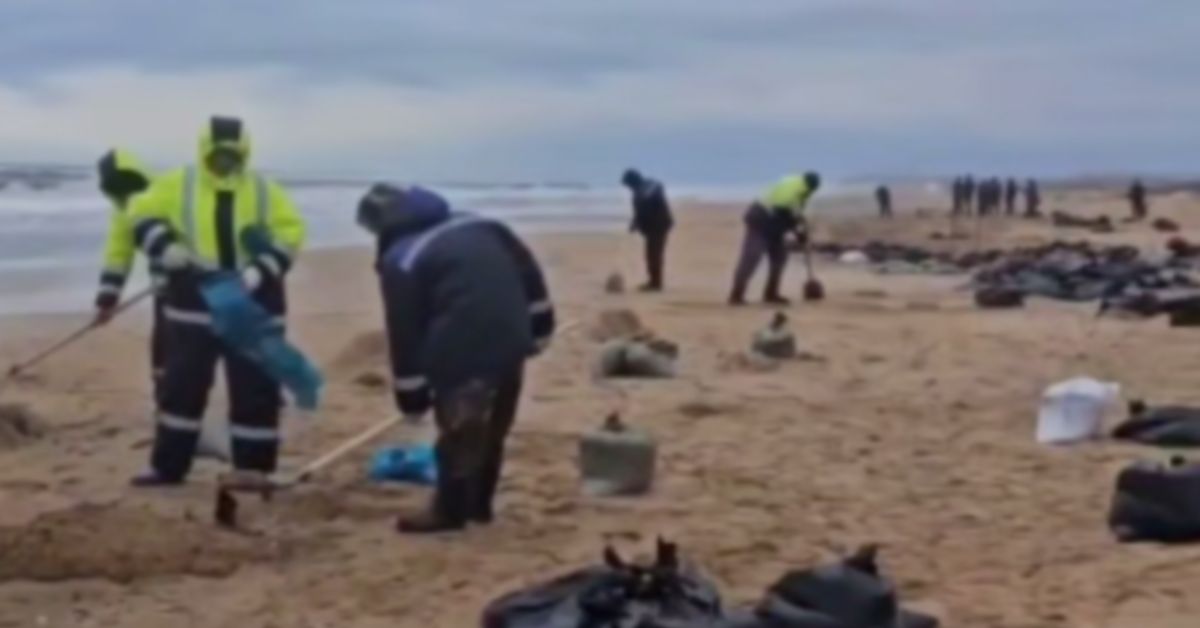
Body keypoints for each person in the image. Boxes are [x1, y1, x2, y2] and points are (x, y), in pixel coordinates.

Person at [356, 183, 555, 533]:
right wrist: (541, 325)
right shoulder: (483, 225)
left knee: (460, 431)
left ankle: (449, 511)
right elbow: (529, 273)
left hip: (460, 347)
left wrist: (411, 394)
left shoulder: (402, 259)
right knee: (495, 429)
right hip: (512, 336)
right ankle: (480, 505)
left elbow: (405, 330)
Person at [127, 116, 306, 486]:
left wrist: (262, 269)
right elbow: (140, 215)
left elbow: (290, 233)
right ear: (205, 151)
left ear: (243, 154)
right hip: (193, 305)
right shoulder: (178, 184)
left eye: (232, 155)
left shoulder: (263, 190)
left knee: (255, 390)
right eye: (217, 154)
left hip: (252, 304)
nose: (224, 161)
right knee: (181, 389)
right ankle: (168, 466)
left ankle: (254, 469)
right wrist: (165, 247)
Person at [93, 148, 165, 397]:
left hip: (210, 279)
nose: (125, 192)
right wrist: (107, 299)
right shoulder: (122, 215)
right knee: (165, 347)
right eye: (115, 187)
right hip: (167, 289)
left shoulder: (169, 193)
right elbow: (118, 256)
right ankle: (166, 400)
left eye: (127, 182)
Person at [728, 172, 821, 306]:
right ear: (810, 187)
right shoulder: (794, 189)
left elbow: (795, 212)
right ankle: (736, 296)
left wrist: (800, 229)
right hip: (760, 222)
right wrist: (797, 231)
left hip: (774, 225)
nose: (811, 193)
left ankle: (771, 294)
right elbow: (783, 211)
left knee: (780, 258)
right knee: (751, 258)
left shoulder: (799, 188)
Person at [621, 169, 674, 291]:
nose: (629, 188)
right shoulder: (643, 190)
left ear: (633, 182)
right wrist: (635, 223)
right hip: (656, 226)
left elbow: (643, 211)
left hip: (659, 226)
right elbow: (639, 213)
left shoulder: (645, 191)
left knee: (654, 254)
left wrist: (636, 224)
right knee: (652, 254)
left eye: (628, 185)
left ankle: (656, 284)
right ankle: (654, 281)